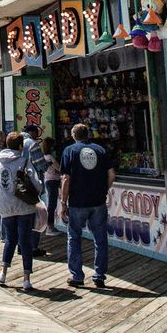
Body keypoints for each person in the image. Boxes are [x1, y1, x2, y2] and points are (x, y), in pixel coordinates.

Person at [60, 123, 115, 288]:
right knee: (100, 239)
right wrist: (104, 189)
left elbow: (66, 179)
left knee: (74, 237)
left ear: (73, 135)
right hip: (98, 201)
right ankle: (99, 275)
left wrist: (63, 202)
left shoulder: (69, 151)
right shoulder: (100, 149)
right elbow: (112, 174)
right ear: (87, 134)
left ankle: (77, 276)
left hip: (77, 201)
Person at [0, 131, 42, 291]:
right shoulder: (24, 161)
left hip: (5, 207)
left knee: (9, 240)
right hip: (24, 207)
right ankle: (26, 279)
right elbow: (37, 184)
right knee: (25, 242)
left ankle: (3, 273)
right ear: (20, 146)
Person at [21, 123, 48, 256]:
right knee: (37, 217)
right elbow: (41, 165)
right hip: (33, 185)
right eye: (37, 133)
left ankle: (22, 245)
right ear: (32, 132)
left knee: (24, 217)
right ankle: (33, 247)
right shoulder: (32, 144)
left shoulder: (17, 142)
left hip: (20, 186)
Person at [42, 137, 61, 236]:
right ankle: (50, 227)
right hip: (52, 181)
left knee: (51, 204)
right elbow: (59, 167)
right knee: (52, 205)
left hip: (49, 180)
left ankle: (49, 226)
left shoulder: (44, 157)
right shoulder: (49, 157)